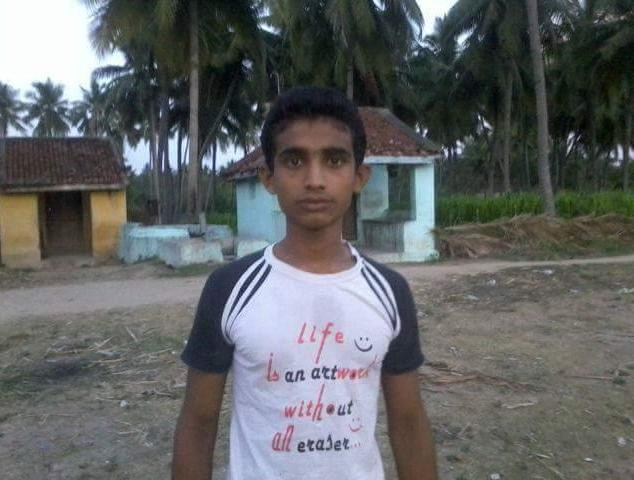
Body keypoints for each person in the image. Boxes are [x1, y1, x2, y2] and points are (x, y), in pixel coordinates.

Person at [172, 86, 438, 480]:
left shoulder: (389, 291)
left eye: (334, 160)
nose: (315, 180)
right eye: (295, 160)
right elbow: (198, 422)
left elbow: (409, 422)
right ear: (269, 178)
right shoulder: (229, 289)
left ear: (359, 177)